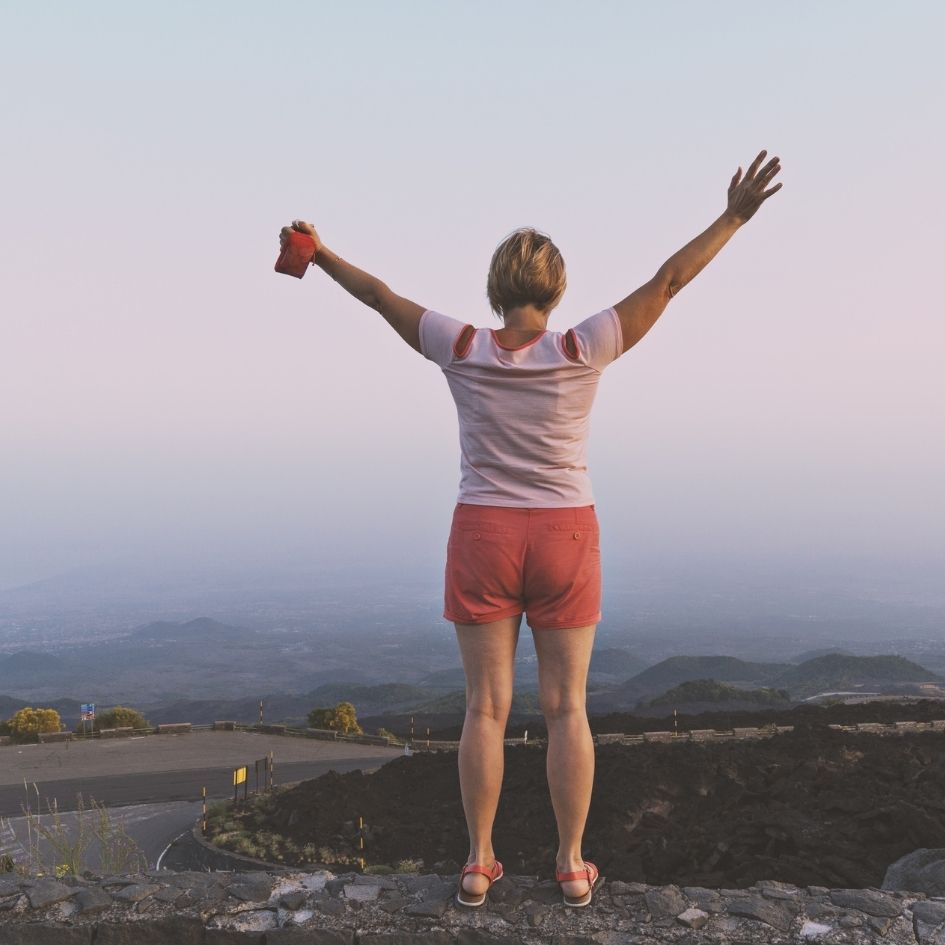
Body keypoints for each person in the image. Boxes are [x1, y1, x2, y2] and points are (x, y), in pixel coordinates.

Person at [278, 148, 782, 908]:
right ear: (556, 288)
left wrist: (318, 255)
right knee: (565, 708)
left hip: (481, 533)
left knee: (484, 707)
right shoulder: (583, 348)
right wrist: (733, 217)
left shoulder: (463, 347)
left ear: (495, 287)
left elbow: (380, 296)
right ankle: (572, 865)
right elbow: (668, 281)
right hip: (564, 535)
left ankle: (479, 861)